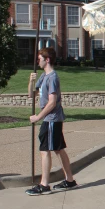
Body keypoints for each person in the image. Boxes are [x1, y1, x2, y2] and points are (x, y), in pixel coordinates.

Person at [25, 47, 78, 196]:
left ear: (47, 60)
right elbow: (31, 95)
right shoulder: (43, 76)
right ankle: (70, 180)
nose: (37, 61)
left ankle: (44, 184)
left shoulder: (53, 77)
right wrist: (31, 81)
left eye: (39, 59)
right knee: (58, 149)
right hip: (51, 119)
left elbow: (52, 102)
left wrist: (38, 117)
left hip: (52, 119)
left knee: (45, 150)